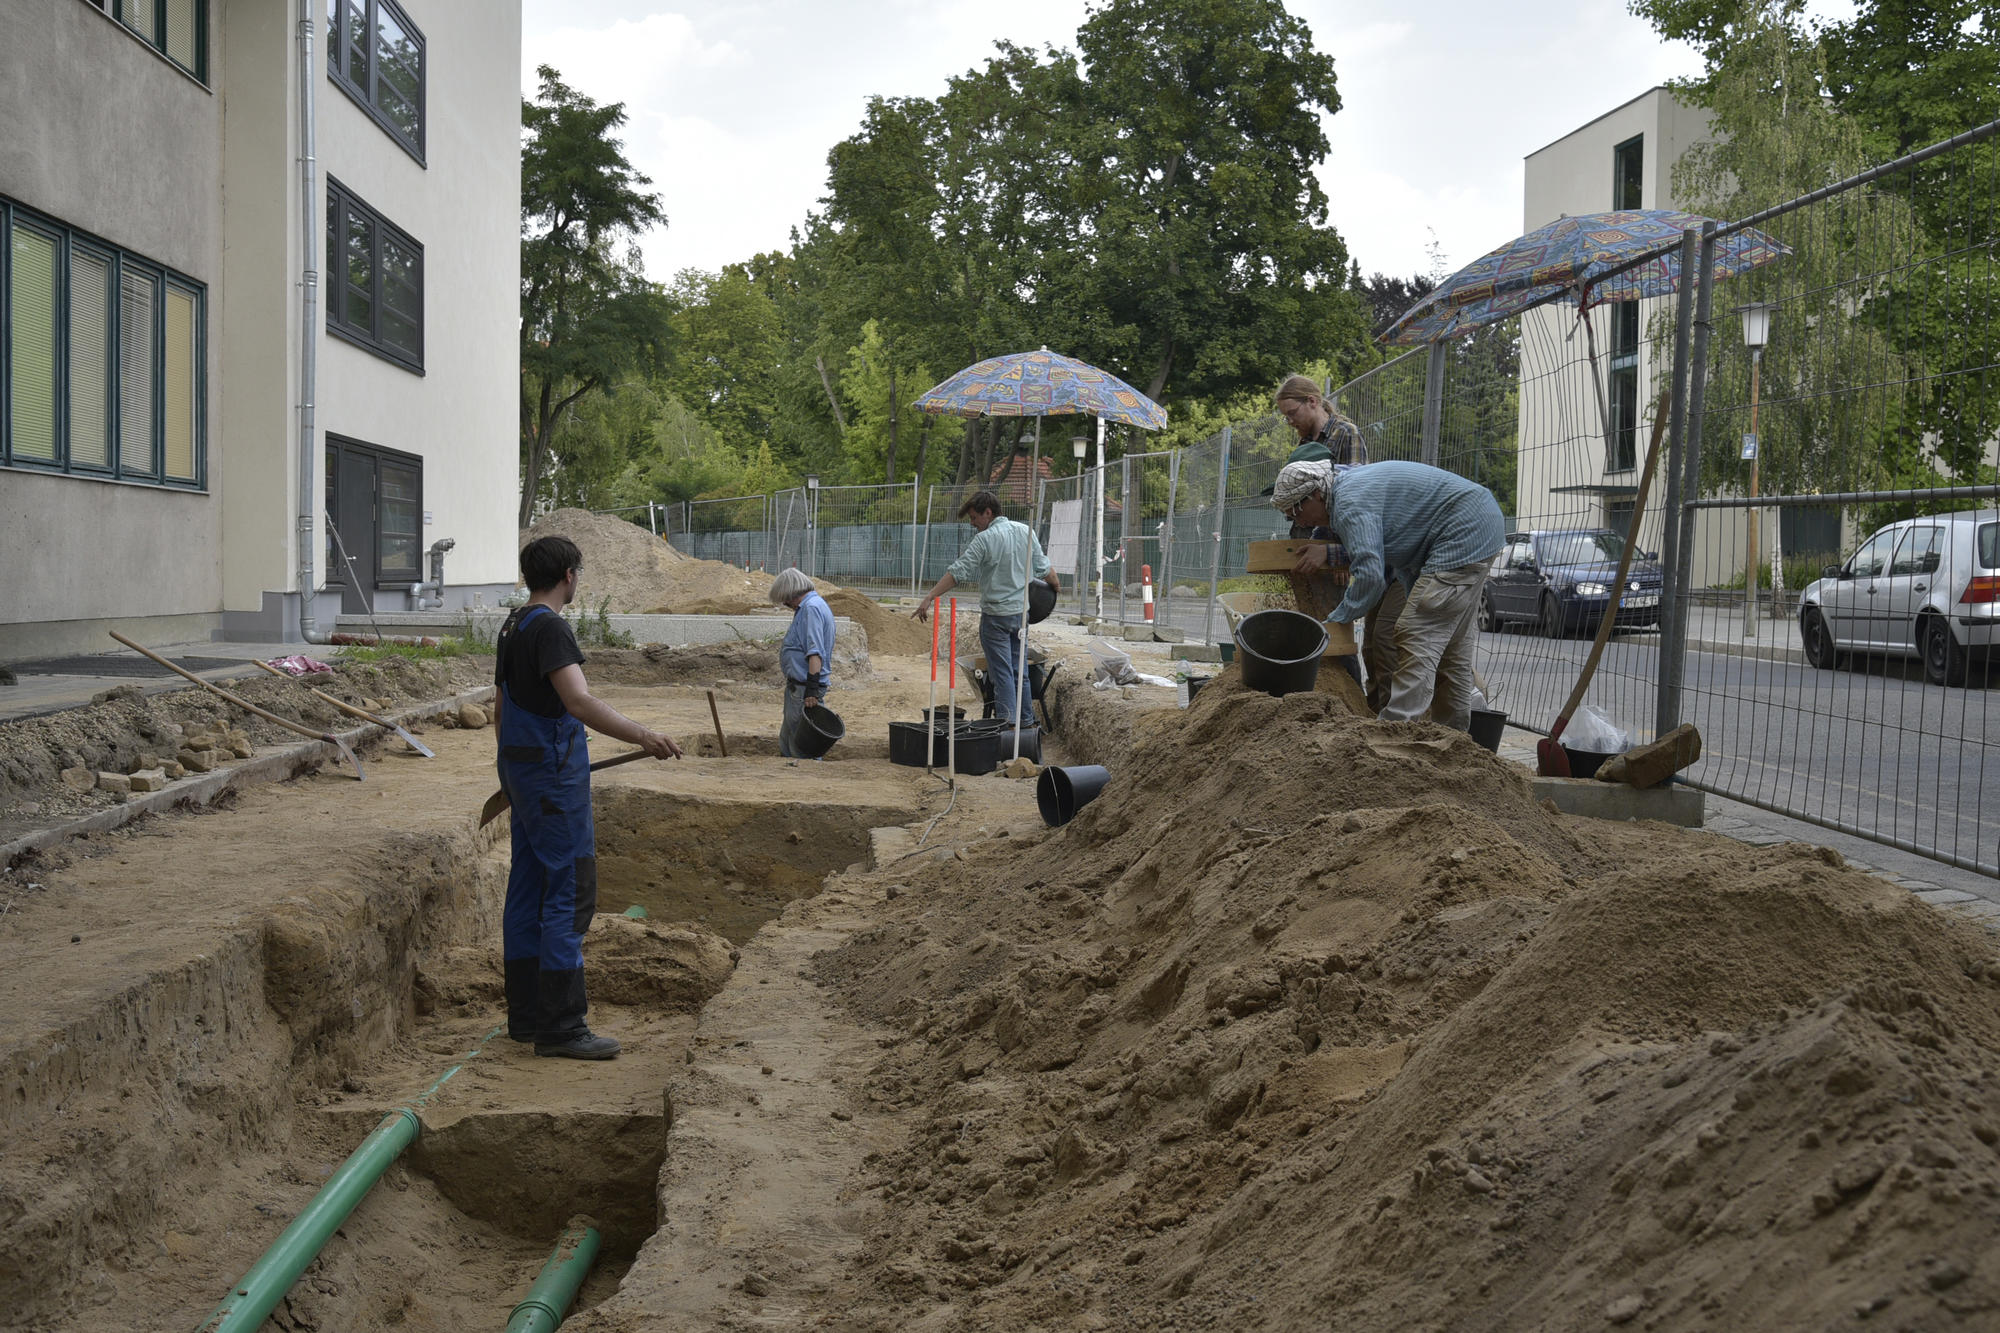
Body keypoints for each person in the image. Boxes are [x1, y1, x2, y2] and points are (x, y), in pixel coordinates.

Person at [494, 536, 682, 1060]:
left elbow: (501, 709)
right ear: (569, 576)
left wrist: (509, 773)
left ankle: (528, 1017)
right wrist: (643, 735)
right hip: (552, 780)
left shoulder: (513, 625)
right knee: (569, 891)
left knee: (528, 888)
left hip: (523, 773)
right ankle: (561, 1027)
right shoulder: (551, 628)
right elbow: (577, 700)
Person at [1270, 459, 1504, 732]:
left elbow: (1370, 576)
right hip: (1477, 524)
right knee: (1452, 651)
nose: (1298, 520)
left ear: (1316, 494)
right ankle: (1452, 738)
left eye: (1296, 511)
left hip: (1463, 531)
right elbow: (1402, 554)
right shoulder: (1348, 493)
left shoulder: (1348, 503)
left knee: (1415, 632)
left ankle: (1393, 734)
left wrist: (1337, 619)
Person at [1272, 374, 1403, 707]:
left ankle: (1359, 703)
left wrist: (1337, 555)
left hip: (1348, 549)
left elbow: (1354, 497)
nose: (1290, 422)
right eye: (1285, 417)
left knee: (1352, 634)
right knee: (1331, 627)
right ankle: (1343, 700)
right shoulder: (1303, 446)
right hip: (1321, 548)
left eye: (1292, 414)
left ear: (1312, 402)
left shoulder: (1346, 434)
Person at [911, 490, 1059, 724]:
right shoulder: (1025, 531)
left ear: (988, 512)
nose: (972, 524)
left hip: (995, 618)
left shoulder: (985, 539)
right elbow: (1045, 569)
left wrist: (930, 595)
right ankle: (1027, 724)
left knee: (1002, 674)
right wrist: (1055, 589)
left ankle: (1007, 725)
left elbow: (958, 572)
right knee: (1020, 672)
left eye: (974, 518)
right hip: (1020, 616)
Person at [769, 567, 835, 760]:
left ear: (790, 593)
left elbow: (815, 653)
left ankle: (803, 781)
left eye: (784, 598)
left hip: (804, 688)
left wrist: (811, 690)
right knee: (790, 737)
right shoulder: (813, 605)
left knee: (802, 742)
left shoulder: (810, 609)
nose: (784, 603)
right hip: (799, 687)